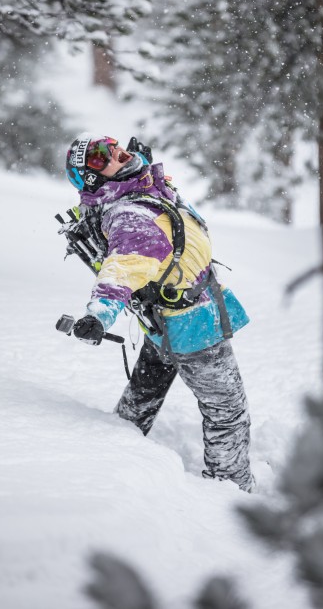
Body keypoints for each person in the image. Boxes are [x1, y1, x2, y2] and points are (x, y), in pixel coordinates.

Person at [64, 133, 254, 493]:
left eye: (111, 144)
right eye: (102, 157)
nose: (117, 152)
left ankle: (117, 447)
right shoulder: (131, 217)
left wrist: (142, 170)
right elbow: (119, 272)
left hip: (166, 319)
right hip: (191, 327)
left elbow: (168, 208)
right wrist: (99, 315)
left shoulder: (137, 189)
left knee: (146, 390)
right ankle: (232, 488)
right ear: (94, 179)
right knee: (226, 410)